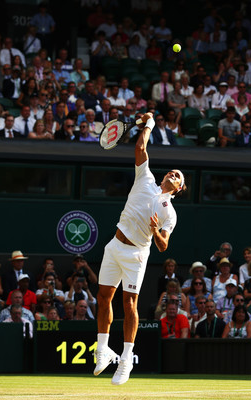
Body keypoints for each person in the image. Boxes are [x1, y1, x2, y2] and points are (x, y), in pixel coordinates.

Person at [94, 112, 185, 385]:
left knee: (129, 304)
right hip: (114, 246)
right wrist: (148, 124)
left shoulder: (170, 213)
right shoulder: (144, 178)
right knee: (103, 298)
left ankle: (125, 361)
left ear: (179, 188)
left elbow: (163, 245)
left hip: (136, 254)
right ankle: (103, 350)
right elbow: (140, 147)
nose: (172, 173)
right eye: (171, 171)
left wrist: (156, 229)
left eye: (177, 176)